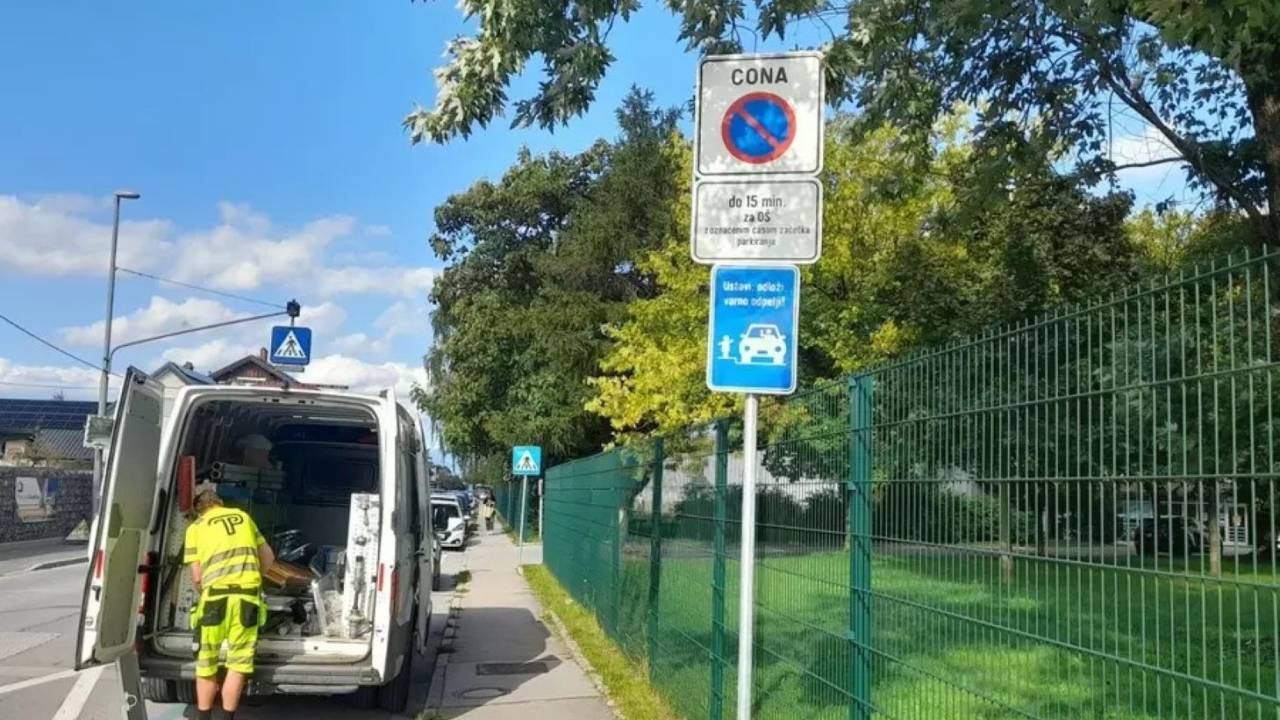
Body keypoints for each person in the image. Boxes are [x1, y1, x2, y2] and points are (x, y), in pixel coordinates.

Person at [184, 482, 274, 720]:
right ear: (219, 503)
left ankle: (203, 717)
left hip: (215, 599)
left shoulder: (196, 527)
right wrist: (253, 578)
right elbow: (268, 558)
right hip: (247, 599)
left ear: (199, 509)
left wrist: (204, 590)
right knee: (238, 664)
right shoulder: (243, 518)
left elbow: (197, 576)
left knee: (207, 663)